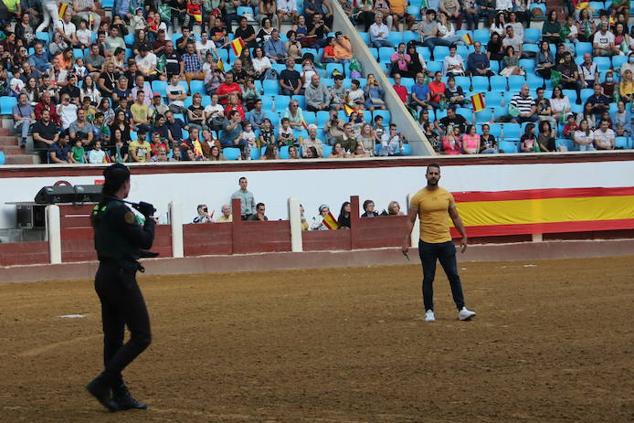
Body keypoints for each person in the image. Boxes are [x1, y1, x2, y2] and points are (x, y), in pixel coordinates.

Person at [87, 163, 156, 412]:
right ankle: (102, 383)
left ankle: (120, 393)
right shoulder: (120, 211)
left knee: (113, 339)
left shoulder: (101, 207)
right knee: (142, 336)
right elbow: (145, 238)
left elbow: (116, 239)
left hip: (104, 275)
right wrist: (149, 218)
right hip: (120, 277)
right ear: (124, 184)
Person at [402, 163, 476, 322]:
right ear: (426, 175)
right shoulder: (418, 197)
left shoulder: (447, 195)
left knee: (454, 275)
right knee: (428, 277)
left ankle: (462, 308)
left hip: (445, 242)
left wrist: (463, 235)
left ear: (440, 176)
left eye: (436, 173)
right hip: (427, 243)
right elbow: (410, 220)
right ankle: (429, 311)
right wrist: (405, 241)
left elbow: (455, 216)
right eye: (431, 173)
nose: (433, 176)